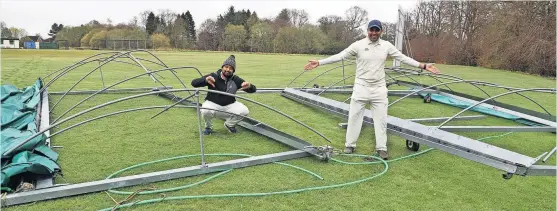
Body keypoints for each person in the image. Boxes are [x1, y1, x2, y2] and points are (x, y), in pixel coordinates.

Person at [303, 20, 440, 160]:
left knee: (381, 120)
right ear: (367, 30)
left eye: (377, 30)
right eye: (371, 30)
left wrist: (423, 66)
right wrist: (319, 62)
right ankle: (350, 145)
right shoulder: (358, 45)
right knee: (354, 117)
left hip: (379, 89)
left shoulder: (386, 46)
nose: (374, 33)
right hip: (361, 88)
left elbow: (403, 58)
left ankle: (382, 148)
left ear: (381, 31)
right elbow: (340, 56)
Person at [191, 55, 257, 135]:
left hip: (230, 105)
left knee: (244, 111)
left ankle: (229, 125)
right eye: (226, 67)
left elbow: (253, 89)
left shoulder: (236, 79)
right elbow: (194, 83)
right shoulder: (213, 75)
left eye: (231, 68)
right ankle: (208, 127)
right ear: (222, 67)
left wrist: (249, 86)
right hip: (213, 104)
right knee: (205, 110)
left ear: (233, 70)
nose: (228, 70)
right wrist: (205, 80)